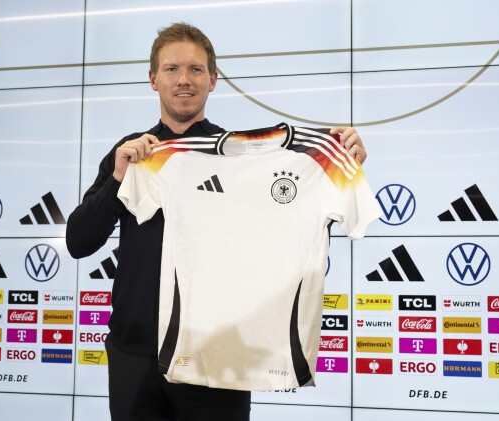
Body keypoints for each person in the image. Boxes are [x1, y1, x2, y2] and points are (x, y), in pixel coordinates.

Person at [66, 22, 368, 421]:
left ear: (213, 79)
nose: (184, 80)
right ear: (153, 79)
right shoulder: (132, 157)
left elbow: (287, 230)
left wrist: (337, 170)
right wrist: (119, 176)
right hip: (133, 353)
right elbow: (79, 241)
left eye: (195, 70)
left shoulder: (246, 161)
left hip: (218, 358)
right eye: (172, 69)